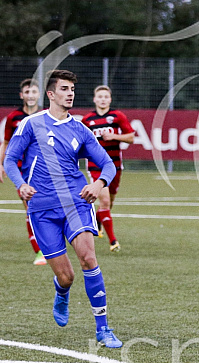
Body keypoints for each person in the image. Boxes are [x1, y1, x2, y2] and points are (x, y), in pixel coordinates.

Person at [3, 70, 123, 348]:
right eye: (65, 88)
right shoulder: (32, 124)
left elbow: (107, 164)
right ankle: (62, 291)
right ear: (51, 94)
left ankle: (103, 328)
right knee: (66, 276)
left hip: (76, 202)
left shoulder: (80, 129)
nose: (70, 93)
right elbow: (11, 159)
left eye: (72, 89)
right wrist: (21, 184)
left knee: (88, 258)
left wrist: (99, 183)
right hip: (42, 209)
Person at [0, 79, 46, 265]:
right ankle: (39, 252)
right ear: (21, 95)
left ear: (38, 95)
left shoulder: (45, 116)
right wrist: (0, 164)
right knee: (30, 207)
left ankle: (51, 243)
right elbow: (7, 143)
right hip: (21, 170)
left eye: (34, 92)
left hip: (43, 169)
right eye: (27, 92)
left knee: (47, 206)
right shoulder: (13, 117)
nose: (30, 95)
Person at [82, 85, 135, 252]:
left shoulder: (117, 116)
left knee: (109, 203)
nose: (103, 99)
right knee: (104, 201)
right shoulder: (87, 120)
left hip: (114, 166)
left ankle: (98, 223)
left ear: (110, 99)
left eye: (106, 96)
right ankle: (113, 242)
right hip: (95, 166)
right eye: (100, 96)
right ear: (95, 99)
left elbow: (131, 137)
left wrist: (114, 136)